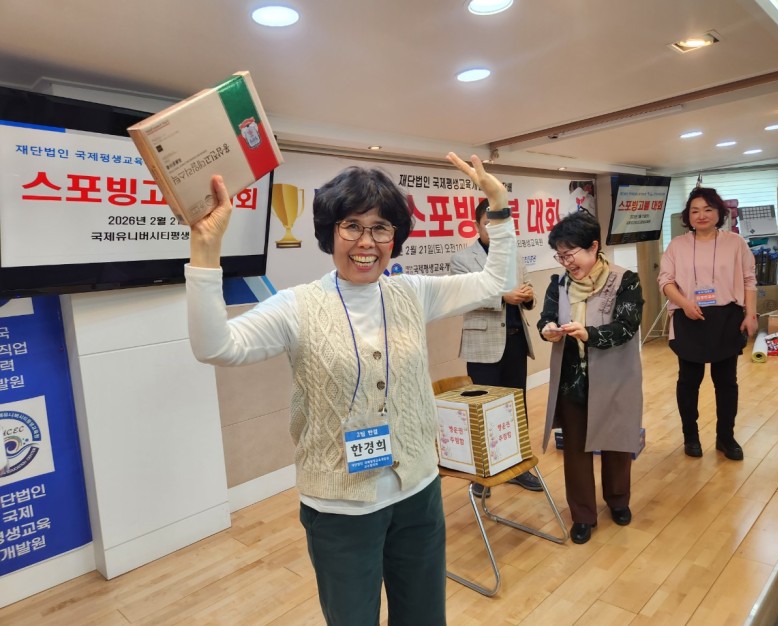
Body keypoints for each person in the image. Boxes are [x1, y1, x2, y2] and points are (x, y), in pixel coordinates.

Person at [185, 153, 516, 626]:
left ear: (395, 237)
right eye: (352, 226)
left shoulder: (411, 293)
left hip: (418, 492)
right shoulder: (296, 306)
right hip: (339, 507)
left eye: (381, 228)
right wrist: (205, 249)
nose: (366, 242)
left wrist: (498, 205)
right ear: (330, 232)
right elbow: (215, 346)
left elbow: (495, 281)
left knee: (424, 617)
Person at [537, 210, 644, 545]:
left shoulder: (625, 279)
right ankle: (582, 514)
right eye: (560, 255)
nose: (566, 262)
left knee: (616, 442)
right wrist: (548, 329)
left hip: (614, 376)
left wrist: (589, 334)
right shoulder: (559, 284)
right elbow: (545, 318)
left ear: (593, 246)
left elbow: (627, 327)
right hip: (573, 378)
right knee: (575, 450)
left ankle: (618, 500)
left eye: (570, 254)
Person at [449, 198, 541, 497]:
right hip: (482, 345)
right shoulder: (463, 259)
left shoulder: (515, 255)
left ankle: (518, 467)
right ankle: (482, 474)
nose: (495, 229)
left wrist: (528, 296)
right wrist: (503, 297)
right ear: (476, 225)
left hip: (516, 341)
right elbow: (463, 297)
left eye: (500, 225)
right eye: (488, 224)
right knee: (483, 411)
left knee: (516, 408)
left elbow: (528, 290)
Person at [658, 187, 757, 462]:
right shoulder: (677, 245)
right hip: (690, 317)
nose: (701, 215)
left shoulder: (736, 243)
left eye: (708, 209)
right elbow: (665, 281)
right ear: (688, 216)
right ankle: (690, 436)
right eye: (695, 210)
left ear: (719, 213)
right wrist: (684, 303)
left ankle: (726, 437)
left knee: (726, 382)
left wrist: (751, 314)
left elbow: (749, 279)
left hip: (726, 318)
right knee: (689, 382)